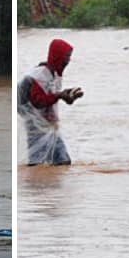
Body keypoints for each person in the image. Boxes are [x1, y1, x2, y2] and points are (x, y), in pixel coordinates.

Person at [17, 38, 83, 166]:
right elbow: (38, 101)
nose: (68, 60)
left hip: (48, 124)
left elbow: (52, 98)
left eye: (69, 57)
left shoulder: (55, 75)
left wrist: (68, 97)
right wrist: (59, 95)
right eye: (66, 56)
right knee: (37, 164)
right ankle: (35, 184)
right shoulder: (39, 75)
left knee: (63, 161)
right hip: (36, 126)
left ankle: (47, 184)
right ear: (58, 55)